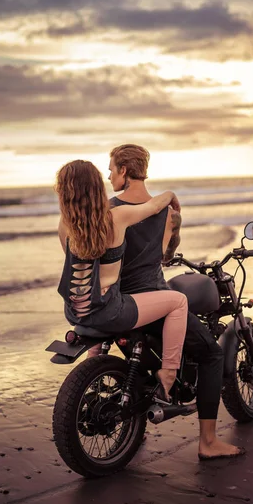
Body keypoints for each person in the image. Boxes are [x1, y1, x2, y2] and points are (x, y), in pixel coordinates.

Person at [108, 144, 245, 461]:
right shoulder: (166, 213)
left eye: (112, 168)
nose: (109, 174)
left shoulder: (108, 209)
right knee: (211, 353)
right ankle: (208, 442)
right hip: (154, 300)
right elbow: (168, 253)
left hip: (118, 302)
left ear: (124, 171)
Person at [55, 159, 188, 400]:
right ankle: (168, 373)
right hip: (110, 311)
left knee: (97, 315)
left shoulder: (64, 226)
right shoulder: (117, 217)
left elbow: (80, 268)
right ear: (96, 187)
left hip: (75, 313)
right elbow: (153, 207)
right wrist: (170, 195)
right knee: (178, 301)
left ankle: (88, 388)